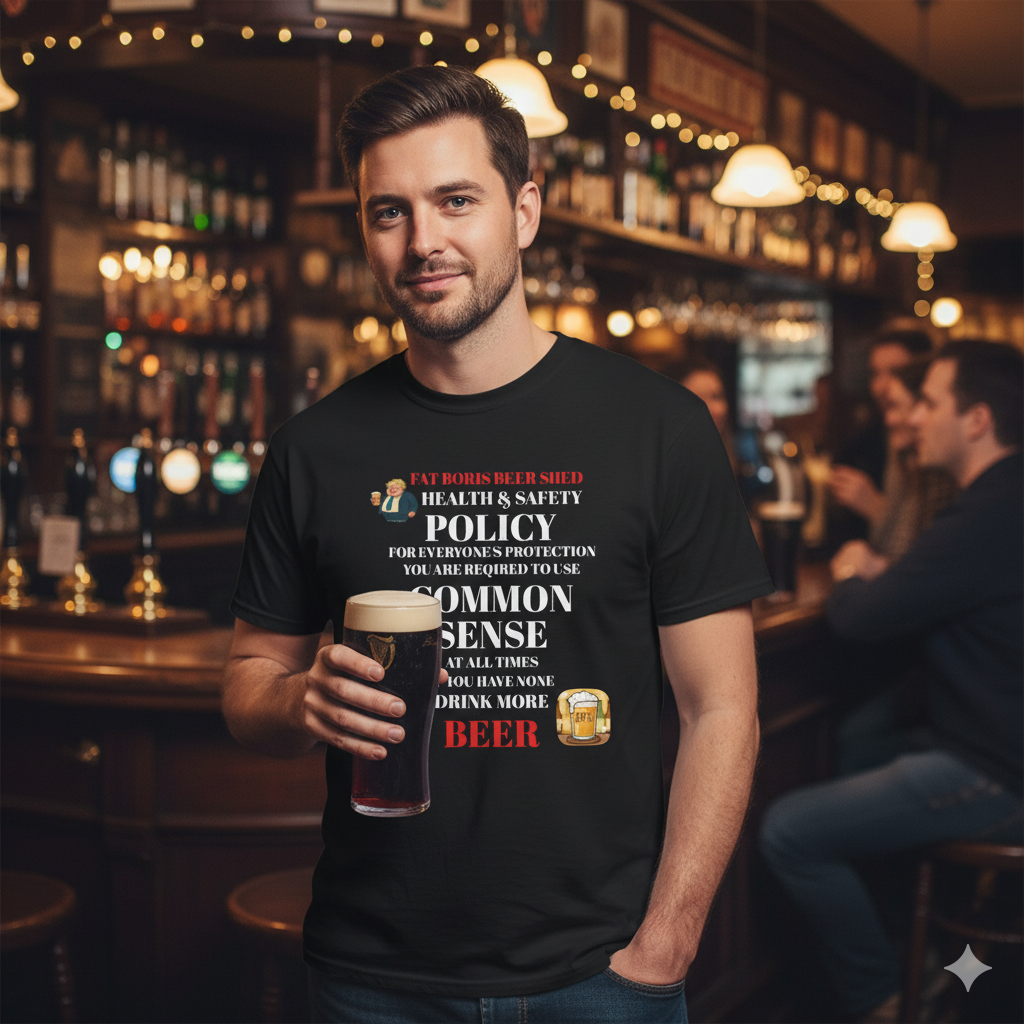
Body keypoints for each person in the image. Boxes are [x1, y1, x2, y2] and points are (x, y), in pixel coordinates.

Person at [223, 65, 773, 1024]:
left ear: (524, 210)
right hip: (372, 974)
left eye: (456, 201)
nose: (423, 240)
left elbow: (720, 706)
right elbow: (246, 685)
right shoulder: (316, 446)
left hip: (602, 975)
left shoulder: (659, 428)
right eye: (388, 211)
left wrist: (666, 942)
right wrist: (297, 698)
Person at [759, 340, 1023, 1023]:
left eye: (931, 402)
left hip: (996, 770)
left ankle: (897, 1002)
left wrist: (853, 573)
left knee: (790, 830)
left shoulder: (990, 511)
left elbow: (858, 620)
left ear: (977, 420)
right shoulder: (1003, 498)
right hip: (988, 746)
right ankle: (923, 951)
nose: (915, 419)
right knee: (863, 741)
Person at [829, 327, 933, 532]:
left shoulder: (935, 452)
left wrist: (876, 508)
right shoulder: (862, 444)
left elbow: (930, 547)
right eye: (875, 374)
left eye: (895, 372)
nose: (881, 387)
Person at [867, 358, 958, 561]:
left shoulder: (941, 475)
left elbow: (908, 557)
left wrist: (875, 509)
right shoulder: (906, 461)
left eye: (895, 406)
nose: (888, 419)